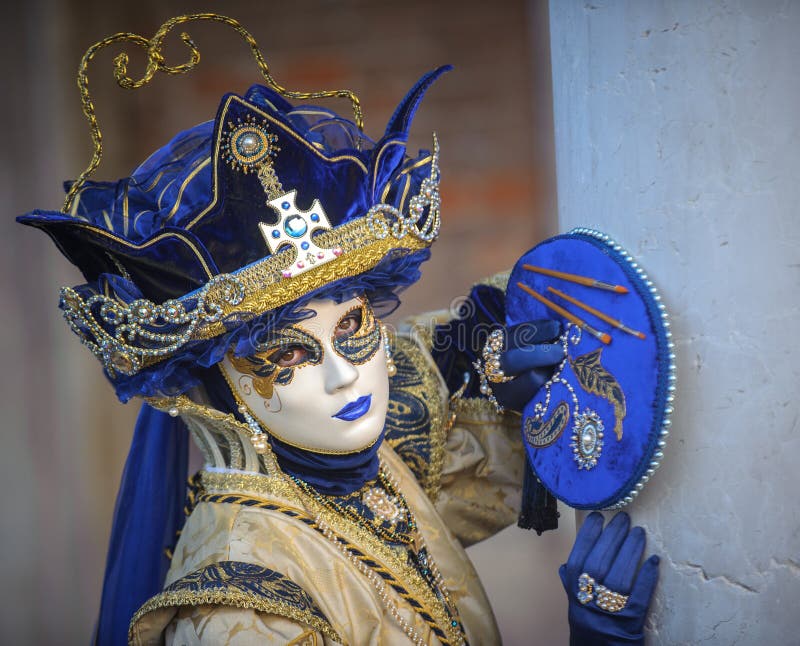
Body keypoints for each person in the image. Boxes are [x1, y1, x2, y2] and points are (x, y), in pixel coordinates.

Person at [19, 14, 659, 645]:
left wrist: (511, 364)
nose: (342, 372)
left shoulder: (344, 459)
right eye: (287, 353)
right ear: (220, 381)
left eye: (352, 326)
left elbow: (470, 355)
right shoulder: (246, 617)